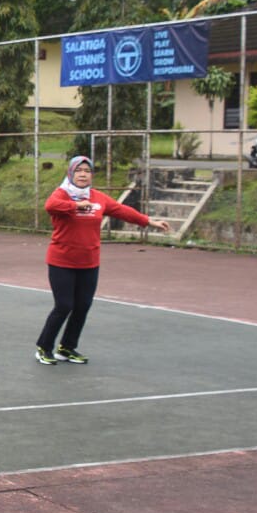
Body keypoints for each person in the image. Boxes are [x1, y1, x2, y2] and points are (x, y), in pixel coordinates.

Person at [36, 156, 168, 365]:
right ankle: (44, 347)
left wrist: (149, 221)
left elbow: (122, 211)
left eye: (87, 171)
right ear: (71, 173)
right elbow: (50, 205)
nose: (82, 174)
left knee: (82, 306)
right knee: (64, 305)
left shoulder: (98, 198)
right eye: (78, 170)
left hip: (89, 262)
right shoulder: (62, 194)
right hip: (62, 261)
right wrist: (76, 206)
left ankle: (67, 348)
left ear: (91, 175)